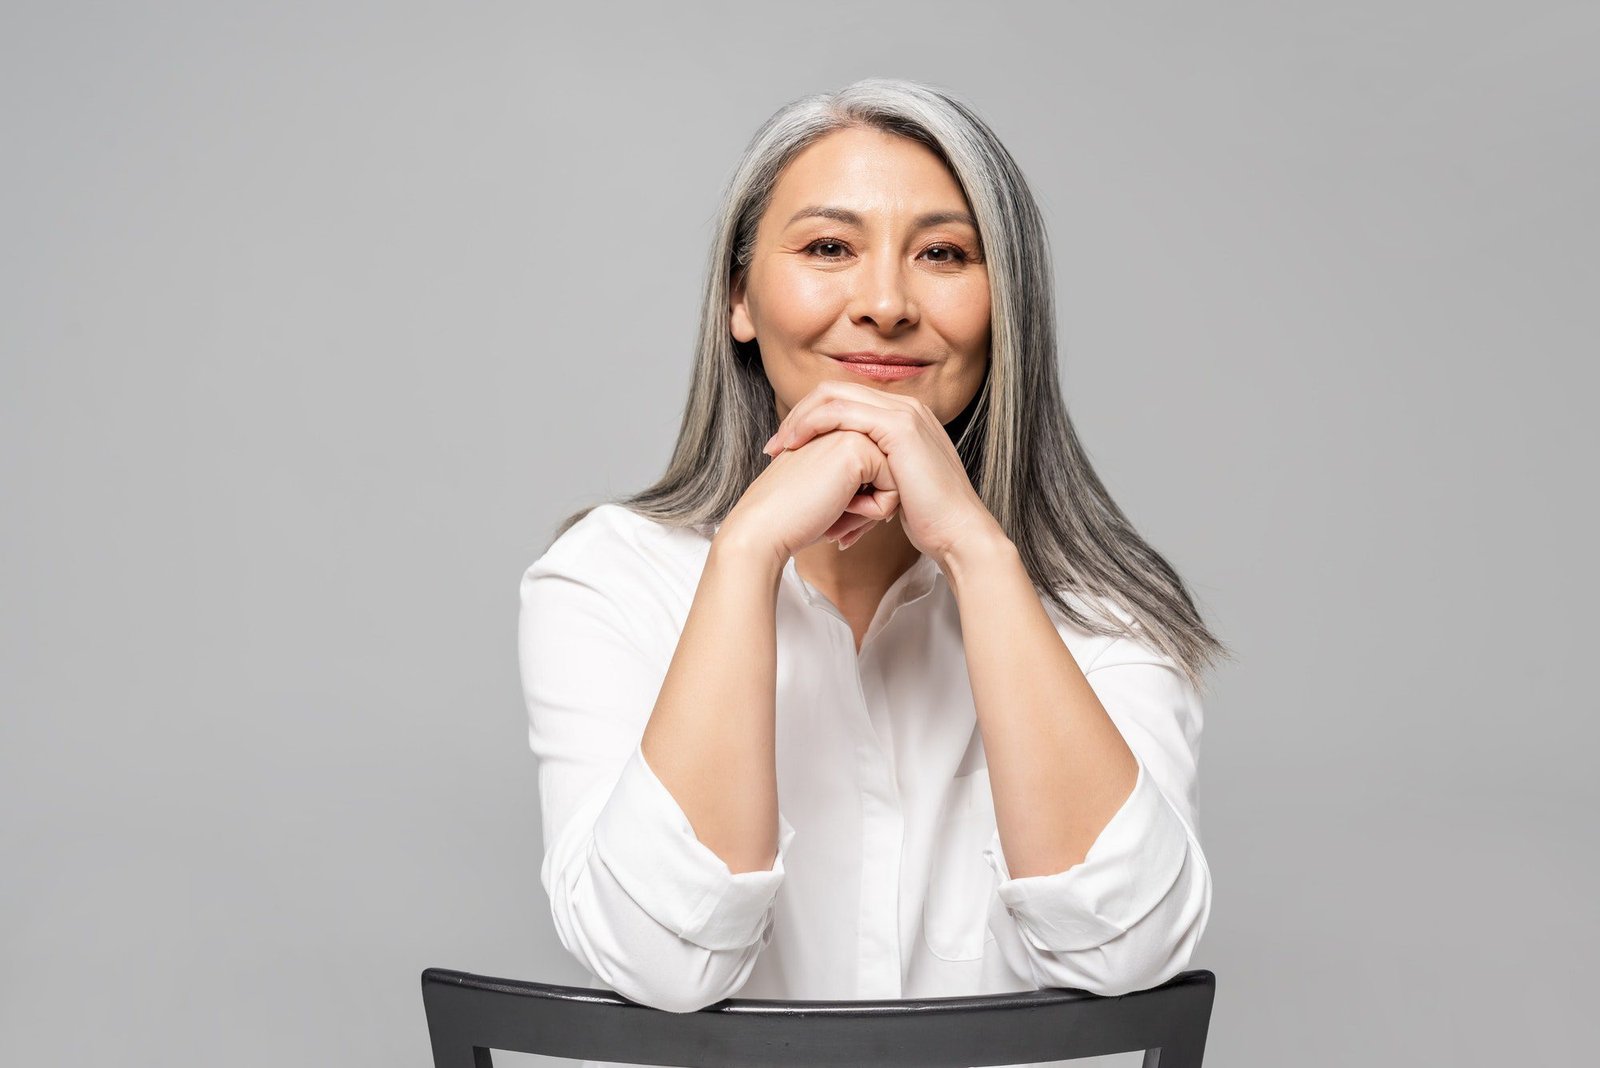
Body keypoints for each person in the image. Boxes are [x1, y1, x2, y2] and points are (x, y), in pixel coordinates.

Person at [517, 77, 1231, 1064]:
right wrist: (747, 555)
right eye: (826, 249)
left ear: (1004, 307)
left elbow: (1125, 948)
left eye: (943, 255)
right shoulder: (607, 579)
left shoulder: (1105, 610)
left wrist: (978, 556)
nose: (886, 305)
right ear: (738, 297)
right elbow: (662, 962)